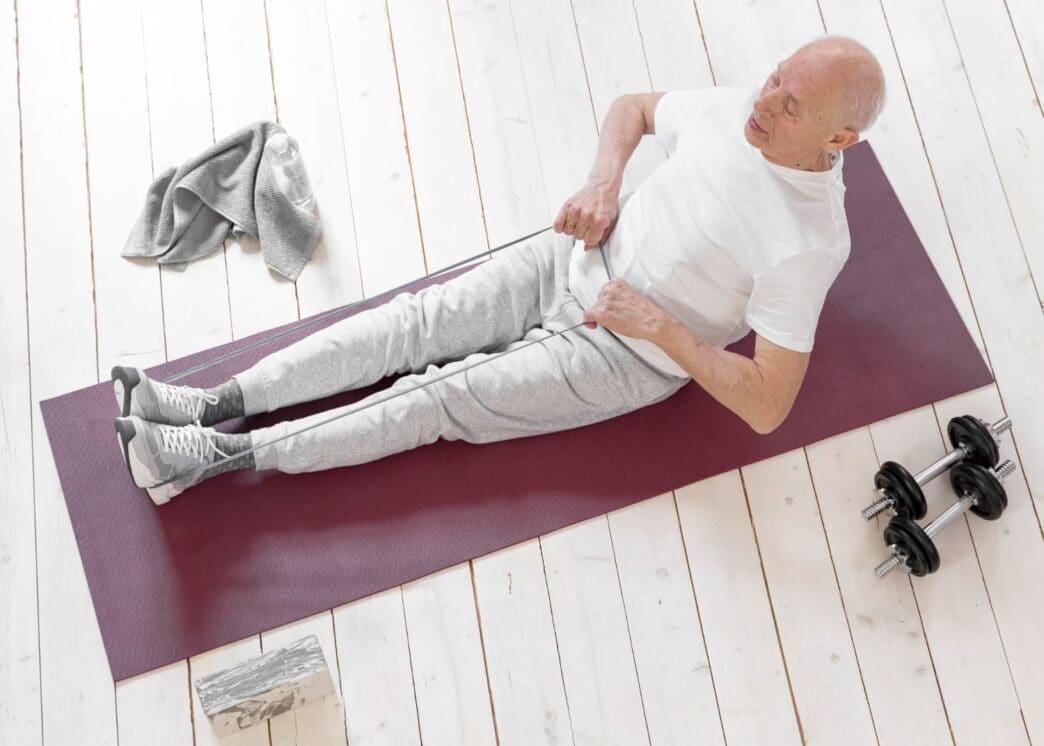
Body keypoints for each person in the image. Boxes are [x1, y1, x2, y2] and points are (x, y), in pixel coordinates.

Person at [114, 35, 886, 505]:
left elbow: (767, 405)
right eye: (777, 76)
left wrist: (661, 328)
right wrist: (604, 182)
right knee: (409, 324)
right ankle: (211, 404)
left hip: (623, 350)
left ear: (841, 138)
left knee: (437, 397)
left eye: (792, 105)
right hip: (573, 252)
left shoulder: (808, 243)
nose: (768, 100)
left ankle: (210, 462)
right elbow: (635, 108)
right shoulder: (743, 106)